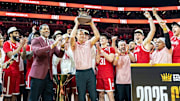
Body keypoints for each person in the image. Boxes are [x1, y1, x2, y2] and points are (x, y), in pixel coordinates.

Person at [29, 24, 65, 101]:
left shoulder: (51, 41)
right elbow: (38, 52)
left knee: (48, 97)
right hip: (38, 74)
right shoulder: (36, 40)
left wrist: (62, 47)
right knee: (34, 98)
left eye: (48, 29)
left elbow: (59, 55)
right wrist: (52, 45)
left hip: (49, 75)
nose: (46, 30)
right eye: (44, 29)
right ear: (40, 31)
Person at [70, 18, 100, 101]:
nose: (82, 36)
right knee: (81, 96)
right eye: (80, 34)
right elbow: (71, 37)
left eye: (84, 34)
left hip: (90, 72)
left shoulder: (88, 43)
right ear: (77, 36)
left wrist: (91, 24)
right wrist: (76, 24)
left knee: (93, 95)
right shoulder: (74, 45)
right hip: (80, 73)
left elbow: (97, 36)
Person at [3, 27, 26, 101]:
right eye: (15, 33)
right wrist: (20, 46)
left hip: (17, 71)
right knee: (7, 95)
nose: (17, 35)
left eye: (18, 33)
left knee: (15, 95)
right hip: (8, 71)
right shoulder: (6, 43)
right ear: (10, 34)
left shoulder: (19, 44)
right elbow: (11, 55)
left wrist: (24, 47)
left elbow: (23, 57)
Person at [96, 33, 115, 101]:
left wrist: (102, 51)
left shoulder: (111, 49)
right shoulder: (97, 50)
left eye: (103, 38)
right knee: (101, 94)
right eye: (100, 39)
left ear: (107, 40)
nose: (101, 40)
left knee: (110, 93)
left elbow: (110, 59)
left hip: (108, 75)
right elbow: (97, 61)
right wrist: (98, 51)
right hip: (99, 75)